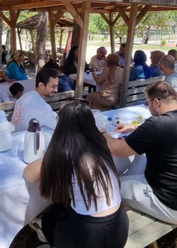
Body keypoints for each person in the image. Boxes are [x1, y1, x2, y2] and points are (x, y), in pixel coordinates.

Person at [102, 81, 177, 225]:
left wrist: (104, 134)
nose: (148, 107)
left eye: (147, 103)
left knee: (106, 186)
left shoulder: (156, 124)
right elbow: (167, 129)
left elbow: (117, 150)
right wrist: (135, 128)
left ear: (156, 102)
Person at [24, 101, 129, 248]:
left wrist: (49, 155)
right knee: (61, 206)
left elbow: (28, 174)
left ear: (62, 125)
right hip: (119, 230)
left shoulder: (65, 153)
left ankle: (44, 234)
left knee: (51, 215)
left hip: (87, 237)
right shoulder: (101, 145)